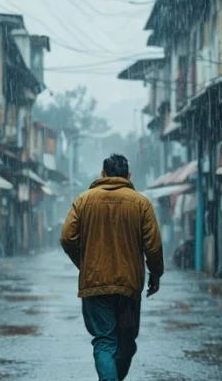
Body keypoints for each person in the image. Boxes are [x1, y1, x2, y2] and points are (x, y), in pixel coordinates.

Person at [61, 154, 164, 381]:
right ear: (128, 176)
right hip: (128, 286)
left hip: (95, 284)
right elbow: (153, 246)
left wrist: (84, 262)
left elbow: (67, 237)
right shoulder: (141, 203)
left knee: (105, 341)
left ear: (103, 174)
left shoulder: (84, 200)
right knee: (126, 342)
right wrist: (155, 273)